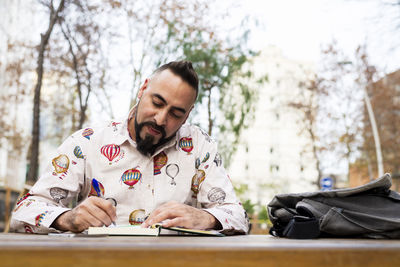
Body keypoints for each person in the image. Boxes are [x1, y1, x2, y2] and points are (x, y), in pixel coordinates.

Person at [10, 61, 249, 234]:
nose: (160, 119)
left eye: (176, 114)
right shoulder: (88, 142)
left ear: (187, 117)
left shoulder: (200, 146)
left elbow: (238, 216)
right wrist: (67, 218)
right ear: (142, 89)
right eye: (157, 103)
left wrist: (206, 218)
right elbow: (23, 213)